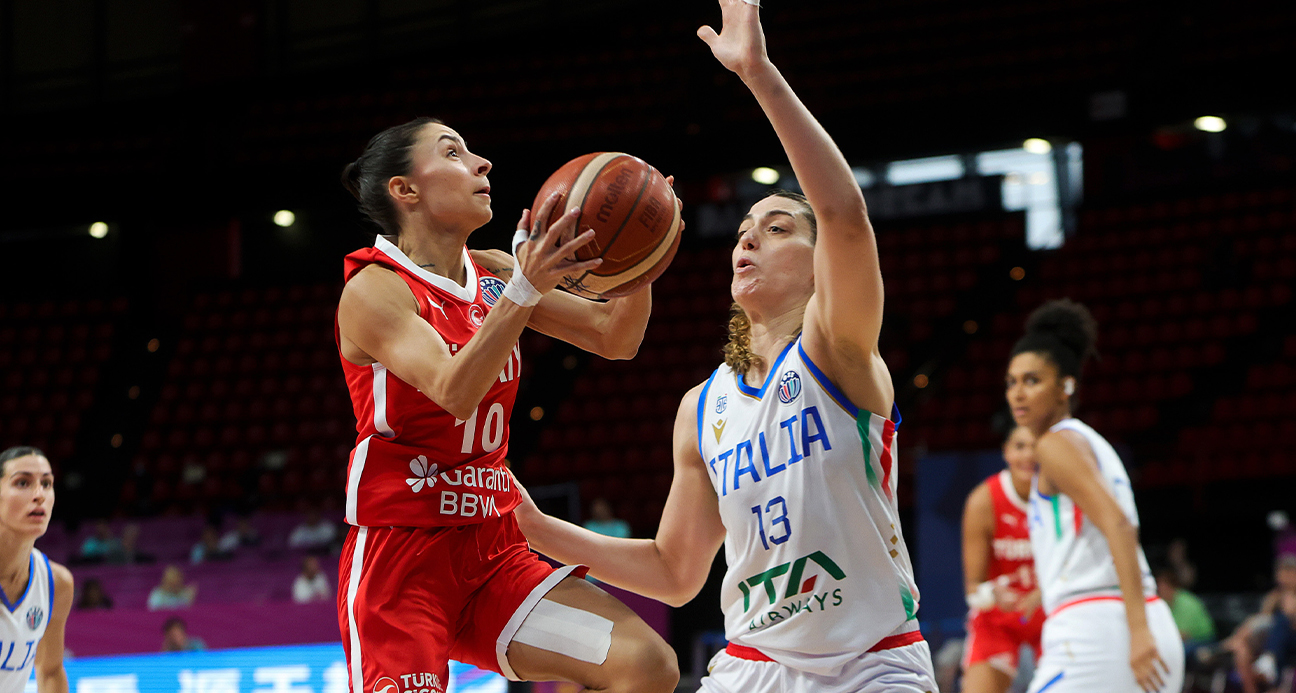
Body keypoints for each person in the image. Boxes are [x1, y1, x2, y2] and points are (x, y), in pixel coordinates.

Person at [514, 2, 937, 691]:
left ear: (817, 257)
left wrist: (759, 74)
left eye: (776, 228)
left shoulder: (838, 351)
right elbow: (675, 572)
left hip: (873, 662)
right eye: (744, 228)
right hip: (755, 666)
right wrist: (537, 525)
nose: (749, 238)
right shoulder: (701, 408)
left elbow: (845, 215)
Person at [333, 68, 684, 691]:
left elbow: (615, 338)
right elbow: (453, 389)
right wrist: (524, 289)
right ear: (404, 191)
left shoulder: (494, 271)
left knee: (646, 666)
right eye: (454, 152)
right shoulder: (373, 291)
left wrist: (642, 257)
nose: (482, 163)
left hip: (493, 552)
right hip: (402, 561)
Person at [1004, 299, 1183, 693]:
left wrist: (1137, 632)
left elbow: (1118, 523)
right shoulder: (1091, 443)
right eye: (1012, 382)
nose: (1018, 393)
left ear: (1066, 386)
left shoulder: (1054, 445)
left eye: (1032, 380)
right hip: (1129, 621)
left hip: (1100, 632)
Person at [960, 425, 1046, 693]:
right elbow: (973, 589)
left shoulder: (1062, 496)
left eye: (1036, 446)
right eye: (1020, 446)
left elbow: (1077, 568)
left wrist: (1044, 591)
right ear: (1006, 452)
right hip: (999, 617)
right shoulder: (983, 501)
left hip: (1050, 611)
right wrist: (992, 594)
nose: (1028, 455)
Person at [0, 446, 74, 693]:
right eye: (22, 483)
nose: (39, 494)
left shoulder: (56, 582)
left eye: (47, 483)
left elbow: (50, 670)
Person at [1229, 551, 1296, 693]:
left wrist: (1289, 598)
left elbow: (1294, 622)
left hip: (1294, 639)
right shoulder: (1274, 596)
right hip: (1273, 641)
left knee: (1282, 621)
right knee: (1243, 649)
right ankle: (1252, 687)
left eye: (1289, 573)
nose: (1285, 577)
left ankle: (1269, 662)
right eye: (1282, 573)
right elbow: (1263, 619)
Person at [1154, 567, 1214, 661]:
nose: (1158, 591)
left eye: (1160, 587)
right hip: (1185, 641)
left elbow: (1184, 635)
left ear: (1169, 586)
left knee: (1175, 652)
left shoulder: (1186, 602)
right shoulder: (1165, 604)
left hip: (1203, 640)